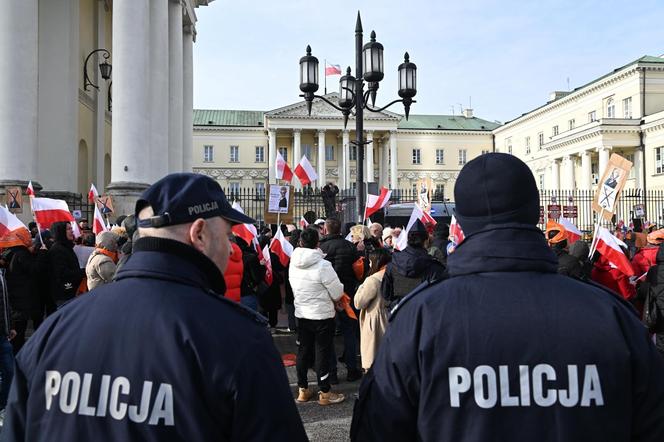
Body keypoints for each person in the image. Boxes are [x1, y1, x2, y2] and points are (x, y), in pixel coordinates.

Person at [351, 153, 664, 441]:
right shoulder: (611, 316)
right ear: (534, 211)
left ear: (461, 221)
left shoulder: (418, 318)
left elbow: (378, 430)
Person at [2, 173, 308, 441]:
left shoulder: (55, 330)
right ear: (199, 234)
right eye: (227, 235)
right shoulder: (239, 338)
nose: (230, 248)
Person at [289, 228, 345, 406]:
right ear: (317, 243)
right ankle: (325, 392)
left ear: (300, 243)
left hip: (303, 313)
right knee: (322, 351)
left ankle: (303, 389)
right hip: (322, 314)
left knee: (303, 351)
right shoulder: (323, 265)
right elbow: (337, 291)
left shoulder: (293, 261)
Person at [319, 218, 362, 381]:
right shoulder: (350, 247)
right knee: (349, 332)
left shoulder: (322, 247)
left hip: (329, 295)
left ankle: (332, 373)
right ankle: (352, 369)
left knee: (328, 334)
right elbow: (358, 270)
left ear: (326, 230)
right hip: (347, 294)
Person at [381, 219, 446, 309]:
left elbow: (385, 294)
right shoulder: (435, 268)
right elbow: (440, 299)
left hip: (398, 316)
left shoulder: (392, 265)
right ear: (426, 240)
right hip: (423, 317)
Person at [2, 228, 46, 353]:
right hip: (22, 297)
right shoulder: (21, 254)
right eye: (26, 235)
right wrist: (42, 254)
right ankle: (18, 358)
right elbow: (34, 270)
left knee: (17, 330)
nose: (29, 238)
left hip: (15, 296)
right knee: (19, 332)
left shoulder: (10, 252)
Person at [353, 248, 390, 371]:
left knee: (373, 357)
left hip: (375, 321)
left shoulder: (373, 280)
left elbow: (359, 303)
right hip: (390, 317)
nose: (369, 264)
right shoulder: (394, 275)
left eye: (370, 262)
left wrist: (360, 287)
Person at [47, 221, 85, 306]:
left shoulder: (67, 247)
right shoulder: (57, 250)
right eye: (68, 229)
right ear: (60, 232)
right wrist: (84, 271)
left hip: (72, 292)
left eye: (71, 228)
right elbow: (62, 273)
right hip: (64, 295)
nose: (72, 231)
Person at [0, 259, 16, 426]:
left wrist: (9, 326)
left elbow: (5, 303)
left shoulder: (1, 273)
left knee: (9, 372)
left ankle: (3, 406)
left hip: (3, 334)